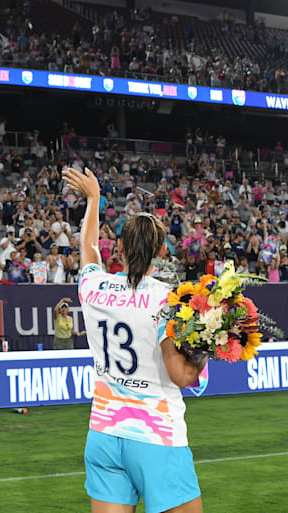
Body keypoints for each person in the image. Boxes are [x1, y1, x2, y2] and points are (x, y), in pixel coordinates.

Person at [64, 166, 204, 513]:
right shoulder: (168, 299)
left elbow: (89, 248)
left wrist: (94, 199)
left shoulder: (94, 287)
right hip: (156, 436)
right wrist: (208, 344)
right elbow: (182, 376)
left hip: (104, 434)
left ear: (121, 247)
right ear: (161, 250)